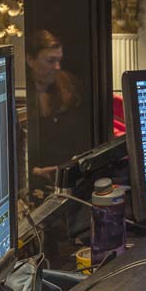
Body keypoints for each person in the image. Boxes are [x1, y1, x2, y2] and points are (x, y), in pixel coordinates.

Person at [25, 29, 85, 203]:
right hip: (36, 185)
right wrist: (34, 172)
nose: (57, 67)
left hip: (70, 180)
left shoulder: (69, 85)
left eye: (59, 60)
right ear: (30, 60)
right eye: (51, 61)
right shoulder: (21, 98)